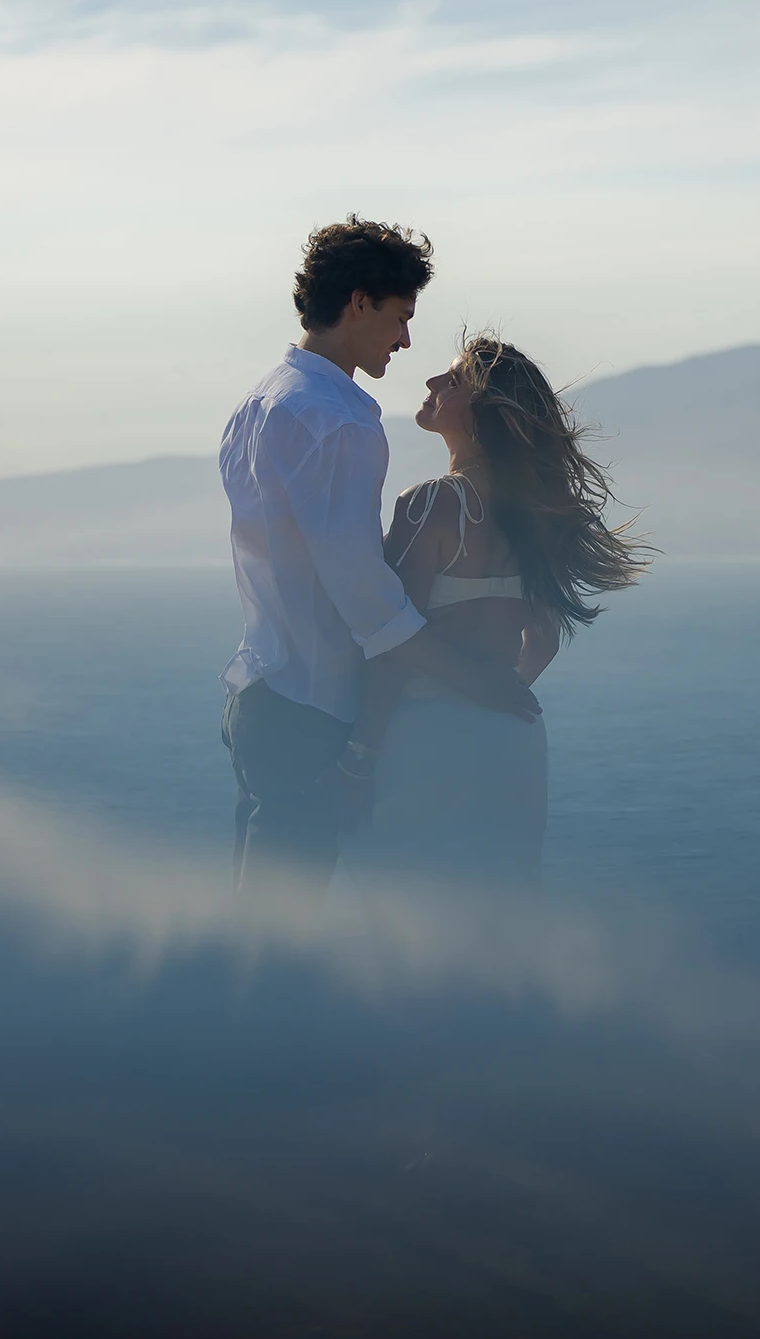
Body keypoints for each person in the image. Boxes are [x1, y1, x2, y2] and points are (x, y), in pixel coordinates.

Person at [218, 218, 540, 914]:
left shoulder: (258, 403)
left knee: (254, 923)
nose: (404, 340)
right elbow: (369, 603)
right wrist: (478, 684)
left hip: (260, 691)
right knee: (281, 938)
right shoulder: (336, 419)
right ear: (359, 302)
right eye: (400, 317)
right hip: (309, 710)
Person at [345, 333, 651, 889]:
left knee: (412, 929)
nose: (433, 384)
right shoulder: (535, 512)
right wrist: (499, 693)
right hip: (512, 745)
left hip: (425, 744)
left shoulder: (434, 503)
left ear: (485, 412)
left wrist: (360, 754)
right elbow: (546, 641)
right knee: (501, 926)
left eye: (454, 380)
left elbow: (392, 643)